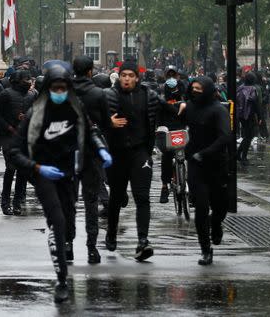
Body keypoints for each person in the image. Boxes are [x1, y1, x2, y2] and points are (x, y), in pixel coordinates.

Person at [10, 63, 111, 303]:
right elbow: (15, 150)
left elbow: (91, 132)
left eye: (63, 88)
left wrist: (101, 150)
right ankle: (62, 279)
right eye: (54, 88)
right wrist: (36, 167)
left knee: (66, 217)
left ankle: (66, 243)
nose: (59, 92)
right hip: (45, 172)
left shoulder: (76, 109)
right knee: (56, 221)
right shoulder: (36, 113)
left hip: (68, 171)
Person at [103, 61, 171, 261]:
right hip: (117, 153)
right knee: (116, 197)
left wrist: (183, 107)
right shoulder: (109, 95)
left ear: (137, 77)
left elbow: (168, 108)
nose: (126, 79)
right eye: (123, 75)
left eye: (131, 75)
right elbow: (93, 115)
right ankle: (111, 232)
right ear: (119, 76)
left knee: (142, 197)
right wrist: (109, 122)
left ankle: (143, 241)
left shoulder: (148, 95)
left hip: (140, 152)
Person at [184, 76, 233, 265]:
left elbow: (225, 137)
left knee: (221, 205)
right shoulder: (188, 107)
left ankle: (216, 223)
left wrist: (205, 153)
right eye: (193, 88)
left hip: (217, 164)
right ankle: (205, 248)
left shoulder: (218, 110)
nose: (195, 92)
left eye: (199, 89)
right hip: (196, 166)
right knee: (201, 207)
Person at [71, 56, 111, 263]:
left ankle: (67, 244)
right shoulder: (98, 93)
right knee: (91, 202)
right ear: (89, 72)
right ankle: (92, 248)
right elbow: (106, 124)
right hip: (90, 152)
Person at [0, 69, 34, 215]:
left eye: (29, 79)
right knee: (11, 168)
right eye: (25, 79)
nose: (29, 82)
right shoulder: (5, 94)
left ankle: (17, 202)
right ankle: (5, 202)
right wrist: (9, 126)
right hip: (8, 136)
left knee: (23, 170)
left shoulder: (32, 95)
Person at [158, 65, 188, 203]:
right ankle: (164, 186)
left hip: (181, 132)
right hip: (167, 132)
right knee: (166, 157)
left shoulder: (184, 97)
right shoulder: (161, 98)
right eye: (168, 75)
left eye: (173, 75)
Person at [236, 72, 262, 163]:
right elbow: (256, 104)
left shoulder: (240, 88)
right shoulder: (253, 89)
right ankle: (243, 157)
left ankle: (239, 154)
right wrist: (259, 117)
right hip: (250, 115)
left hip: (241, 115)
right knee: (249, 136)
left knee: (247, 135)